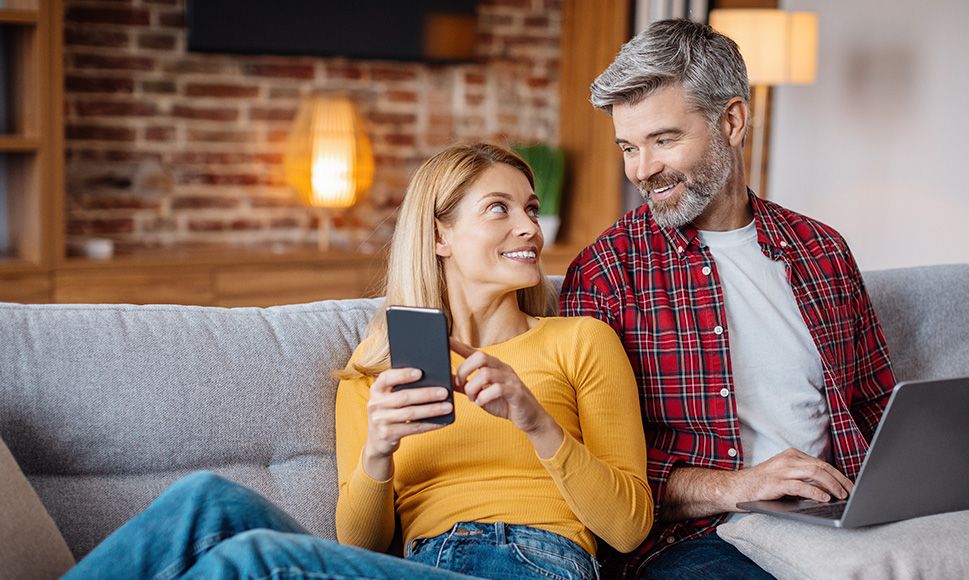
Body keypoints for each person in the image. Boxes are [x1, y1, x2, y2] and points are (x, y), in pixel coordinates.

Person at [64, 144, 653, 580]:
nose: (529, 226)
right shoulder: (379, 376)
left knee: (249, 559)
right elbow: (362, 546)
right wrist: (378, 451)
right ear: (439, 237)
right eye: (499, 209)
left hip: (534, 565)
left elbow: (628, 529)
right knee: (203, 502)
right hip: (418, 565)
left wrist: (536, 421)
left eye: (530, 207)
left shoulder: (581, 341)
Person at [560, 20, 897, 579]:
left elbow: (874, 403)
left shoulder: (822, 250)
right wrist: (740, 486)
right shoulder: (607, 274)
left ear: (732, 122)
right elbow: (591, 474)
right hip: (697, 539)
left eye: (664, 140)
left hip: (838, 519)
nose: (642, 170)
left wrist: (945, 478)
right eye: (628, 147)